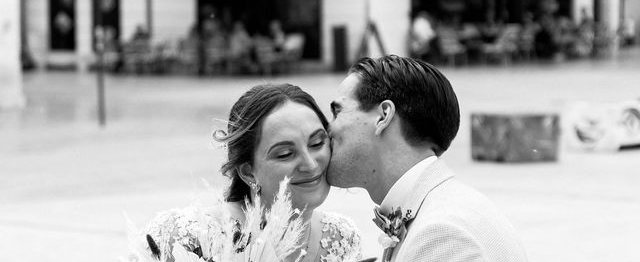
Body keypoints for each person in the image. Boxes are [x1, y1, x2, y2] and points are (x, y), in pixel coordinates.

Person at [327, 55, 528, 262]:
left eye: (337, 112)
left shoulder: (441, 233)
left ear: (383, 116)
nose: (326, 130)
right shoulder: (445, 207)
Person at [142, 84, 362, 262]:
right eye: (285, 154)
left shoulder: (341, 237)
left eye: (317, 143)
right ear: (248, 172)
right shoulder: (187, 237)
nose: (311, 165)